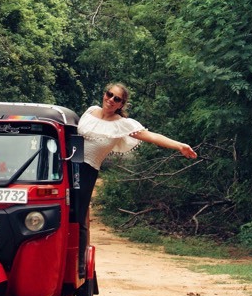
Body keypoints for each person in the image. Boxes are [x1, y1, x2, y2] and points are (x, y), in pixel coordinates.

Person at [76, 82, 197, 276]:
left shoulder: (122, 124)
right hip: (67, 166)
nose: (111, 100)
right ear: (104, 94)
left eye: (117, 99)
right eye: (109, 94)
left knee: (78, 214)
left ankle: (79, 262)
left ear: (121, 104)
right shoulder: (90, 111)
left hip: (88, 170)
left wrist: (179, 146)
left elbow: (152, 136)